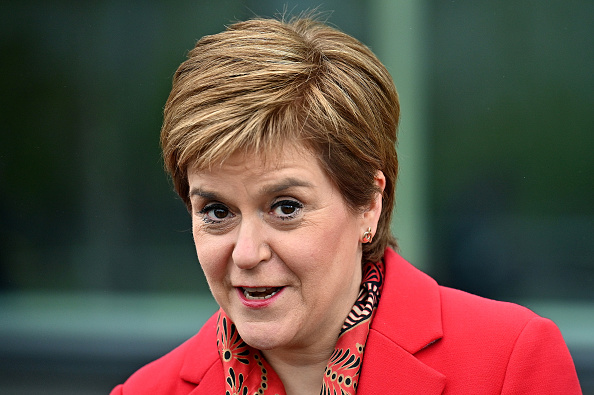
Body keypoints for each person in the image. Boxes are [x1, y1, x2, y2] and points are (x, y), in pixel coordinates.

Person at [110, 16, 581, 394]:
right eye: (217, 212)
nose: (247, 253)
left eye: (286, 207)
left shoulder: (509, 364)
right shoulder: (147, 390)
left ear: (369, 205)